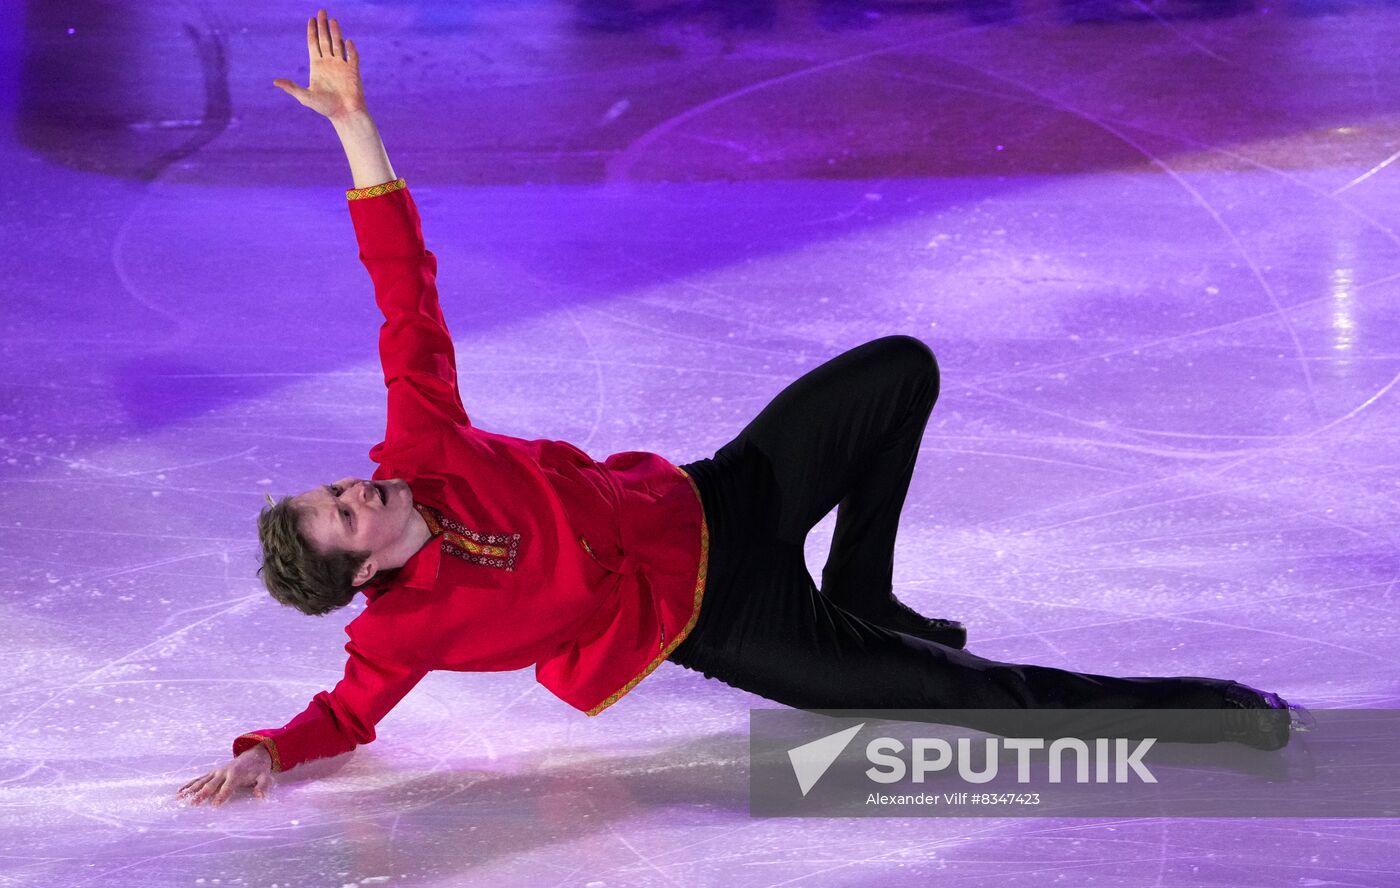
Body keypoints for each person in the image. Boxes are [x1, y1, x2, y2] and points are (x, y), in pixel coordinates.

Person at [177, 10, 1311, 809]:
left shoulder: (419, 446)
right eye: (346, 516)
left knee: (896, 371)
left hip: (725, 490)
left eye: (334, 488)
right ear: (361, 574)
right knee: (965, 694)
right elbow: (347, 712)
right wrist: (270, 754)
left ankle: (863, 582)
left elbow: (403, 289)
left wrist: (350, 127)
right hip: (722, 622)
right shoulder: (396, 628)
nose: (357, 488)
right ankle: (1208, 712)